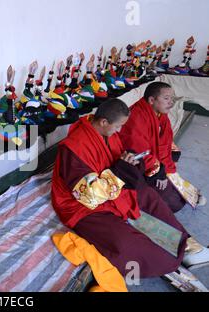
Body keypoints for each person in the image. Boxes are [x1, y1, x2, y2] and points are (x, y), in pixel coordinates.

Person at [51, 99, 209, 289]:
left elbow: (117, 159)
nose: (119, 131)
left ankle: (184, 246)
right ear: (103, 122)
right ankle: (163, 260)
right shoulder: (73, 148)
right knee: (125, 243)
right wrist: (121, 170)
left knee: (149, 197)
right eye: (118, 127)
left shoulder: (106, 132)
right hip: (83, 208)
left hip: (113, 190)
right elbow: (88, 197)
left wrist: (130, 161)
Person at [119, 82, 206, 212]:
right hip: (138, 164)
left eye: (172, 98)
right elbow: (139, 152)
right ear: (152, 100)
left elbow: (165, 139)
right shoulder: (137, 117)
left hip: (155, 158)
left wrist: (168, 162)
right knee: (174, 203)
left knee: (176, 192)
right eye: (166, 98)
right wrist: (159, 172)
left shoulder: (159, 112)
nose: (171, 103)